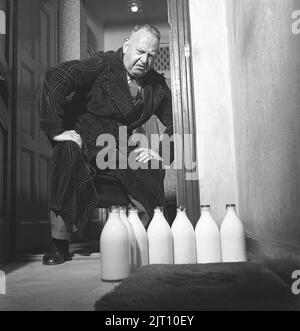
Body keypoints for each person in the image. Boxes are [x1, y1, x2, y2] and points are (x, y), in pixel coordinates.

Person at [40, 24, 174, 265]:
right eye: (140, 51)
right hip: (84, 138)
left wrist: (158, 150)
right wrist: (57, 131)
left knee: (151, 164)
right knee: (66, 150)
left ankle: (145, 237)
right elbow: (55, 77)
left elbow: (177, 123)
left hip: (119, 147)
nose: (144, 60)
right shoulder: (101, 64)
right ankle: (58, 243)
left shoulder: (157, 86)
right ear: (126, 46)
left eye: (151, 55)